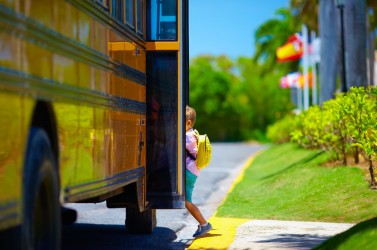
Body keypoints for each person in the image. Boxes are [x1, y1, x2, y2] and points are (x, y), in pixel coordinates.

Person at [185, 105, 212, 238]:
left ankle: (204, 224)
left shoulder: (186, 137)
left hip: (188, 171)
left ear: (188, 123)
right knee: (186, 200)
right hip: (192, 170)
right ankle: (203, 224)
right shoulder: (193, 133)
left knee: (187, 201)